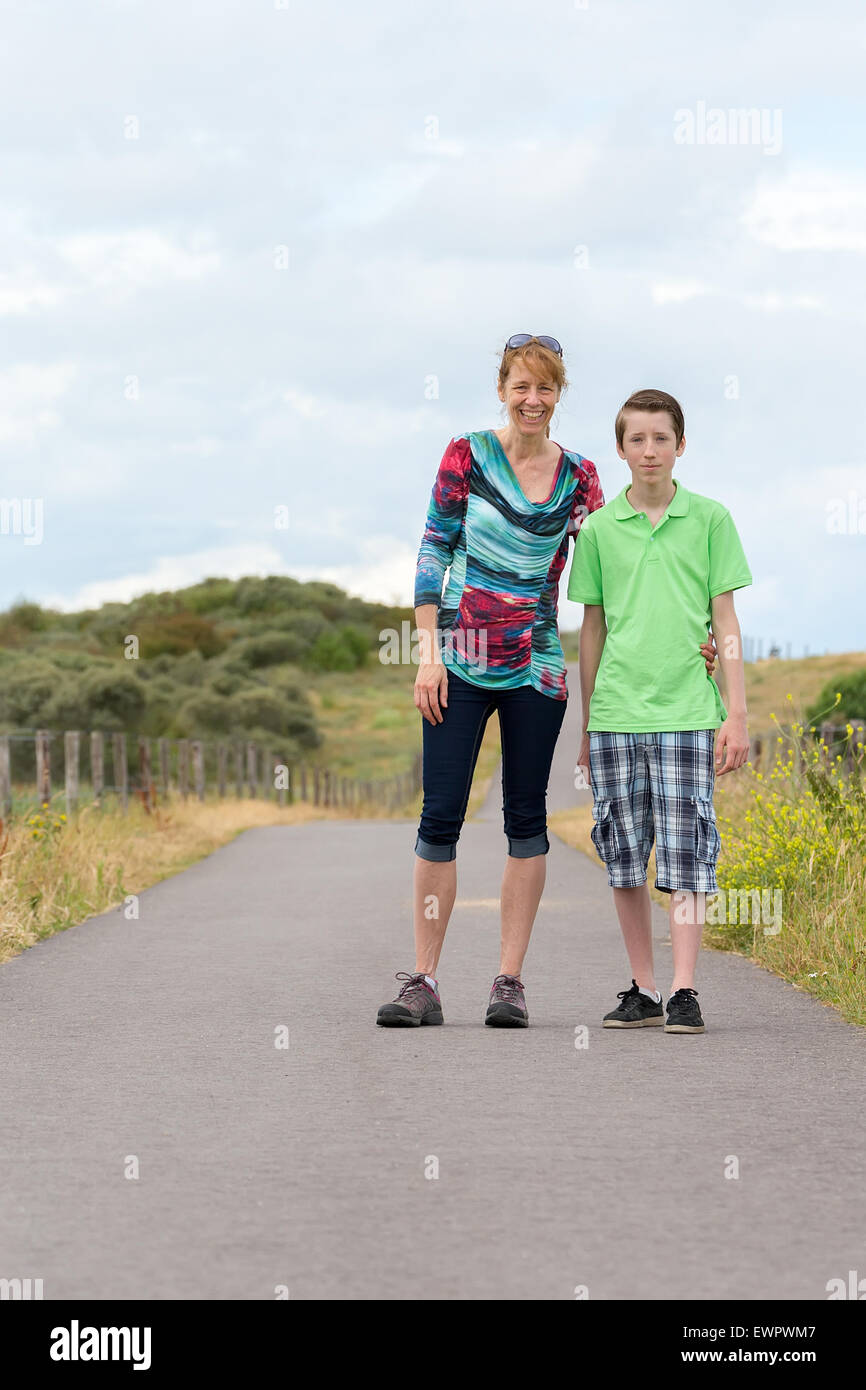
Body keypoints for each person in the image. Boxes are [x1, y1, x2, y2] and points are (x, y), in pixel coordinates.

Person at [376, 345, 717, 1028]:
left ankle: (509, 982)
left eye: (547, 390)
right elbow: (433, 551)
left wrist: (694, 635)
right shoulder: (465, 456)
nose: (533, 400)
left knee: (524, 822)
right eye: (522, 387)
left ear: (559, 395)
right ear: (502, 388)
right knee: (439, 819)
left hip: (536, 668)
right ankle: (424, 981)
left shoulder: (581, 478)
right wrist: (427, 654)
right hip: (460, 664)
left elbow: (617, 559)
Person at [567, 388, 752, 1034]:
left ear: (680, 445)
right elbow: (591, 630)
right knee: (623, 853)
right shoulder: (596, 531)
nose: (650, 450)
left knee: (687, 851)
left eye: (661, 438)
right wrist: (588, 724)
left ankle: (683, 989)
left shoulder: (709, 519)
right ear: (620, 450)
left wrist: (736, 713)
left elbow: (724, 621)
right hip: (617, 714)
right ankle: (642, 986)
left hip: (686, 711)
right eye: (637, 439)